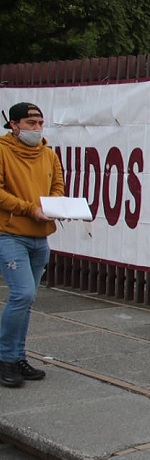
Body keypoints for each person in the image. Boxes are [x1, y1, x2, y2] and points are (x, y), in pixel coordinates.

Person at [0, 102, 64, 388]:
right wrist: (30, 209)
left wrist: (57, 208)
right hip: (10, 234)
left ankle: (17, 356)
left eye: (40, 123)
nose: (37, 129)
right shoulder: (2, 151)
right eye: (30, 123)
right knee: (22, 294)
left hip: (40, 237)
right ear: (14, 125)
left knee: (27, 300)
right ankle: (5, 360)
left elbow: (57, 188)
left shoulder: (49, 155)